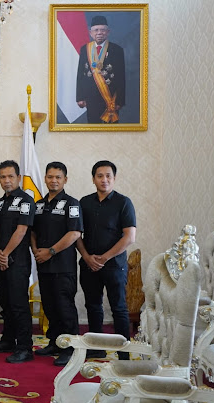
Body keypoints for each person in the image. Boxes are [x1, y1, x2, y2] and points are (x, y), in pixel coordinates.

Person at [76, 160, 136, 360]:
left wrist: (104, 258)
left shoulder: (123, 202)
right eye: (100, 176)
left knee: (118, 308)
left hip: (114, 266)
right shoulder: (84, 202)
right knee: (93, 307)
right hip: (89, 264)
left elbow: (129, 237)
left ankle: (124, 353)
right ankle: (96, 347)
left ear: (114, 178)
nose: (104, 180)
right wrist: (86, 257)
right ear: (93, 179)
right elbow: (76, 233)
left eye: (108, 176)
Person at [31, 161, 82, 367]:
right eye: (50, 177)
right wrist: (36, 250)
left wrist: (50, 252)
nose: (54, 180)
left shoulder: (72, 204)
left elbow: (74, 233)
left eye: (58, 177)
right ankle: (54, 342)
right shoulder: (39, 205)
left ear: (65, 180)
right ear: (45, 178)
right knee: (50, 306)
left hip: (63, 266)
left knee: (64, 308)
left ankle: (70, 348)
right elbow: (32, 231)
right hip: (44, 266)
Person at [0, 160, 35, 363]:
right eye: (2, 177)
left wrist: (5, 254)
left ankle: (25, 347)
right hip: (0, 260)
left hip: (18, 261)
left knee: (19, 304)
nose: (6, 180)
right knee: (5, 303)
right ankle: (8, 340)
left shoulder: (26, 201)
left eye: (10, 176)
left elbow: (22, 230)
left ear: (18, 177)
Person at [76, 15, 125, 123]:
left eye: (103, 30)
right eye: (96, 30)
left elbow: (121, 77)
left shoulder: (117, 50)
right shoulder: (85, 49)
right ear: (91, 33)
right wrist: (80, 97)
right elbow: (80, 74)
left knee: (111, 130)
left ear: (108, 32)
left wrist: (120, 101)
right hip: (90, 97)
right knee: (93, 128)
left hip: (111, 98)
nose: (99, 33)